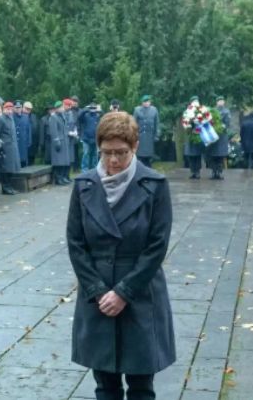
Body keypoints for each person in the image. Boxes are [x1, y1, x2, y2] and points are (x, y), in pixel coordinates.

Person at [67, 111, 176, 399]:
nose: (113, 161)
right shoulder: (84, 186)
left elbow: (157, 246)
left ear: (135, 146)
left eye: (121, 153)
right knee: (106, 386)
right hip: (97, 296)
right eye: (106, 153)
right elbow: (76, 243)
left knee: (141, 386)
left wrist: (124, 292)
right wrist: (99, 291)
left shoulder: (154, 185)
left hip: (140, 294)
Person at [0, 102, 21, 195]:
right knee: (5, 169)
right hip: (5, 147)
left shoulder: (11, 118)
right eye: (8, 109)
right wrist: (0, 145)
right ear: (4, 109)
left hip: (12, 147)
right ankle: (5, 187)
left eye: (11, 109)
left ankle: (9, 186)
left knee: (11, 169)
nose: (10, 111)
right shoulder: (0, 119)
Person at [208, 97, 232, 179]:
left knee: (220, 156)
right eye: (219, 101)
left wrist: (222, 127)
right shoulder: (212, 111)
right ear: (217, 102)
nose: (220, 102)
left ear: (224, 102)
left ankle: (219, 172)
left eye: (222, 101)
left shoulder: (226, 111)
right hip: (213, 136)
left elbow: (227, 123)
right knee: (213, 155)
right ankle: (213, 172)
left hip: (222, 136)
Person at [133, 95, 159, 167]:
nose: (146, 103)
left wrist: (156, 135)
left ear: (150, 102)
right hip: (140, 136)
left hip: (150, 136)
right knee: (140, 156)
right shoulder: (137, 110)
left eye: (148, 101)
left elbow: (157, 123)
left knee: (149, 156)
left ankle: (149, 169)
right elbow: (133, 123)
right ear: (142, 103)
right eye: (145, 102)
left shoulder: (154, 110)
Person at [50, 101, 72, 185]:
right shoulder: (53, 117)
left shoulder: (62, 116)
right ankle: (58, 178)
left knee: (64, 161)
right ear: (57, 108)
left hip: (64, 140)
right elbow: (53, 131)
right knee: (58, 161)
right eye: (61, 107)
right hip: (58, 141)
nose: (63, 108)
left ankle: (62, 177)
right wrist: (56, 141)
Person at [78, 103, 102, 172]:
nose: (93, 110)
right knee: (86, 154)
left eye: (94, 108)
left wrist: (99, 110)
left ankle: (94, 169)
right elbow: (79, 117)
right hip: (86, 139)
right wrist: (85, 109)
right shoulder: (85, 116)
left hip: (95, 139)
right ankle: (84, 170)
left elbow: (104, 116)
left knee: (95, 155)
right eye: (91, 108)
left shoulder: (97, 116)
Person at [14, 101, 32, 167]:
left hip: (23, 143)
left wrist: (29, 141)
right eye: (16, 107)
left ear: (21, 108)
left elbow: (28, 130)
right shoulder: (11, 117)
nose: (18, 109)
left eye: (19, 107)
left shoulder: (26, 117)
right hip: (16, 143)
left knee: (24, 161)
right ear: (14, 108)